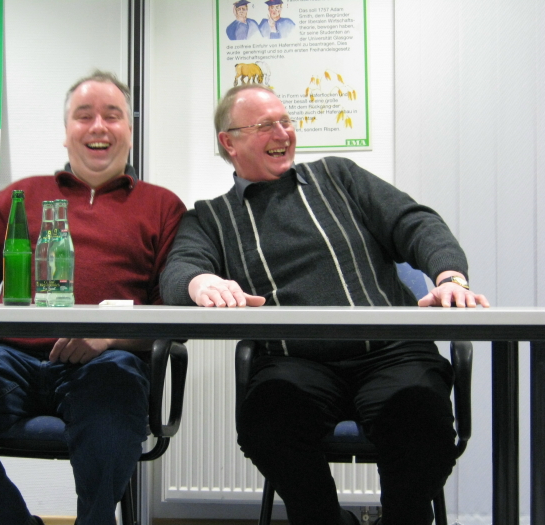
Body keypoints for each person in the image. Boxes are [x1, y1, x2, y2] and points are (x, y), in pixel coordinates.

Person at [160, 84, 489, 525]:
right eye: (265, 125)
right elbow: (179, 270)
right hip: (295, 361)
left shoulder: (338, 176)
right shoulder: (210, 217)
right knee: (266, 423)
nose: (283, 133)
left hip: (392, 352)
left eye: (286, 121)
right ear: (229, 142)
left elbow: (415, 223)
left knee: (420, 417)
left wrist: (449, 275)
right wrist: (201, 281)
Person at [0, 71, 186, 525]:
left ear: (130, 132)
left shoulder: (163, 206)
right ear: (66, 132)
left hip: (107, 363)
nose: (98, 126)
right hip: (7, 357)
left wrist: (109, 338)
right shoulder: (23, 196)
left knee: (110, 432)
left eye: (112, 116)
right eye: (84, 116)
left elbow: (169, 311)